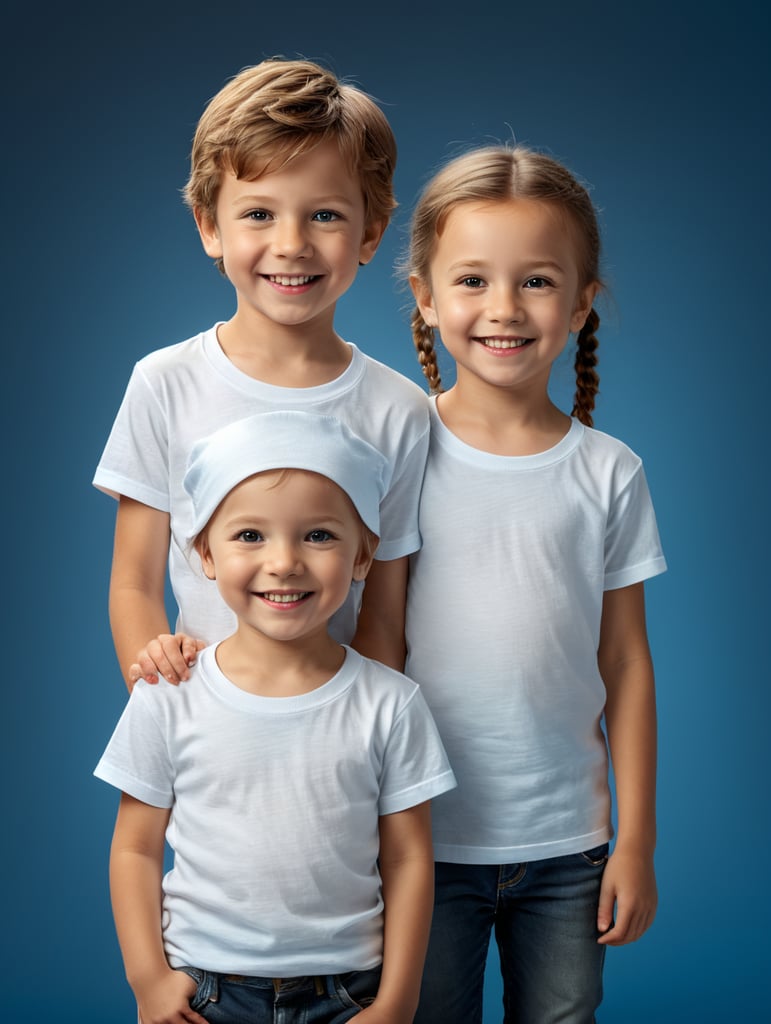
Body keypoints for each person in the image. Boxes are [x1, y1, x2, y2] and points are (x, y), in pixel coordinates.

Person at [400, 145, 667, 1024]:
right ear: (426, 297)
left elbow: (624, 664)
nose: (503, 309)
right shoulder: (394, 454)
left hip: (568, 851)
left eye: (538, 281)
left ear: (582, 299)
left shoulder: (607, 473)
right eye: (471, 280)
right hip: (420, 839)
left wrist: (635, 842)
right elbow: (364, 643)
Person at [94, 410, 456, 1024]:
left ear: (364, 555)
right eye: (250, 536)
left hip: (349, 992)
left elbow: (408, 858)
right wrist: (147, 978)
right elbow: (134, 847)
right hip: (207, 990)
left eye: (318, 535)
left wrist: (398, 999)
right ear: (205, 553)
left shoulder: (391, 705)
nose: (284, 562)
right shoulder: (169, 696)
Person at [93, 57, 428, 688]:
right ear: (209, 226)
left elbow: (384, 621)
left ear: (371, 232)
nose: (292, 243)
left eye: (325, 215)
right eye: (259, 214)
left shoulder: (399, 409)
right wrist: (166, 710)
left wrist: (367, 741)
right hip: (205, 737)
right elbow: (133, 584)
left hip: (339, 748)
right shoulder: (164, 383)